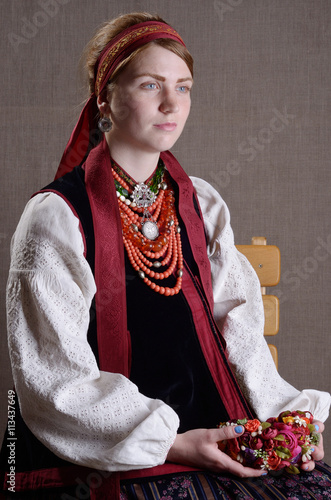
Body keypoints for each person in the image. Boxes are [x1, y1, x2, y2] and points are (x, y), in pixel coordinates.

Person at [1, 11, 330, 500]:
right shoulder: (57, 216)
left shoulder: (200, 202)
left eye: (184, 87)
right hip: (108, 452)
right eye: (151, 85)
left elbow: (237, 333)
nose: (172, 103)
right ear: (105, 97)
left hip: (217, 430)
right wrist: (169, 443)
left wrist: (284, 419)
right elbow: (54, 379)